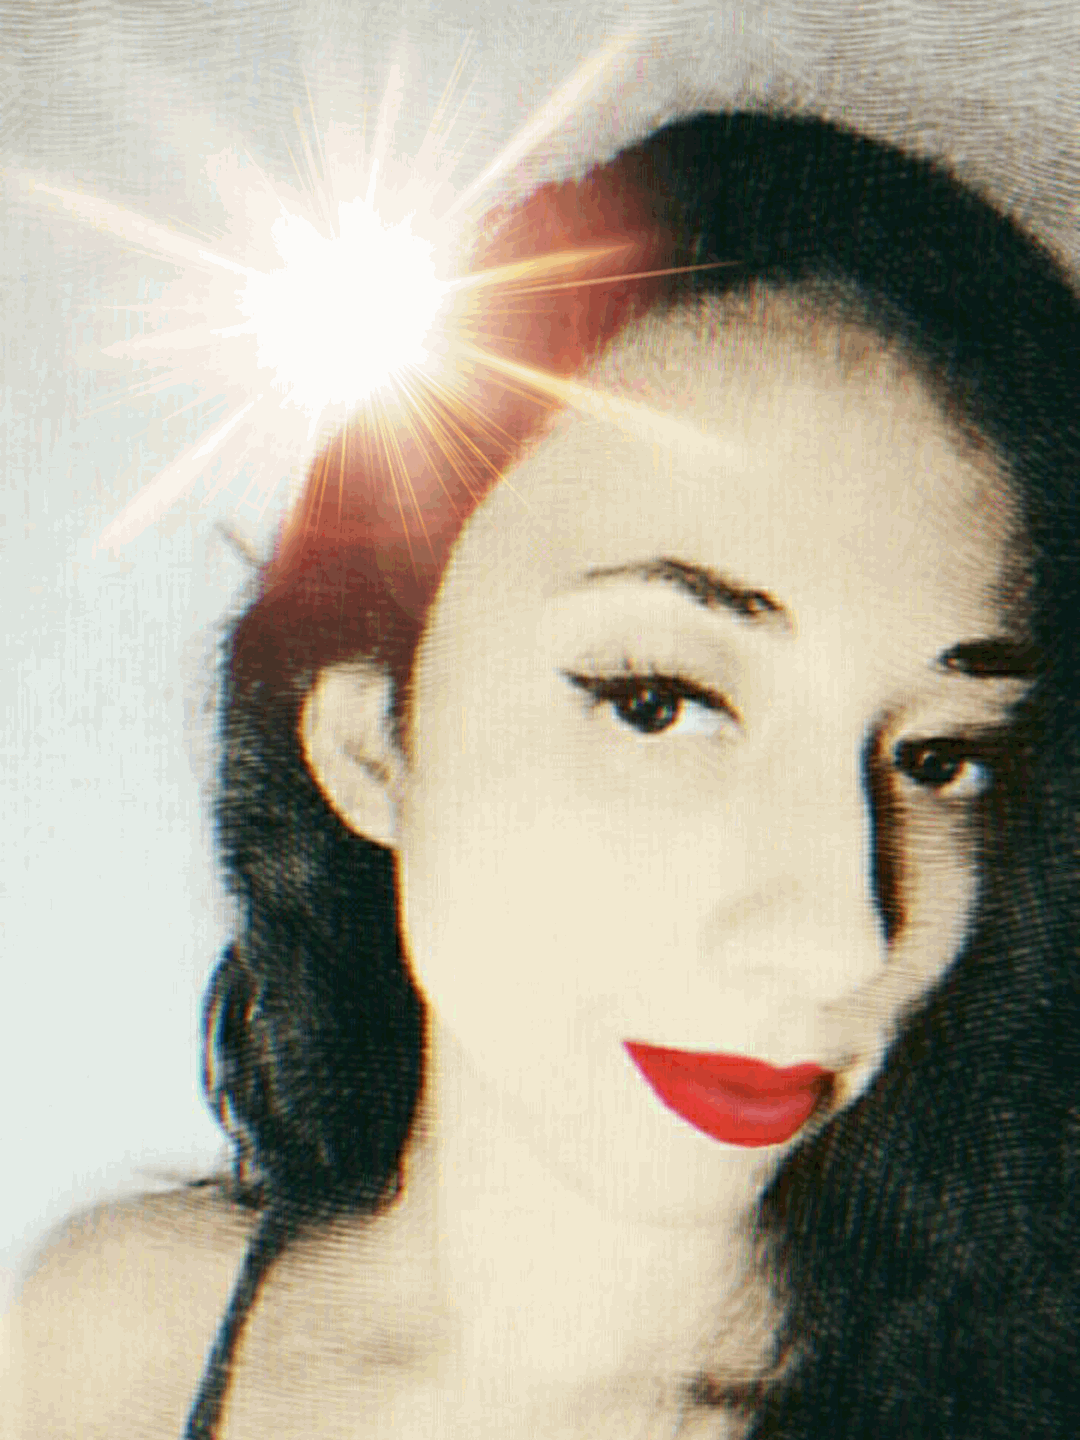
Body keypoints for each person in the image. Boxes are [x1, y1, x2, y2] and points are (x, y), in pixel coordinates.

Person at [8, 110, 1080, 1440]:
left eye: (942, 757)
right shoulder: (115, 1342)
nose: (840, 936)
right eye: (659, 702)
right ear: (374, 742)